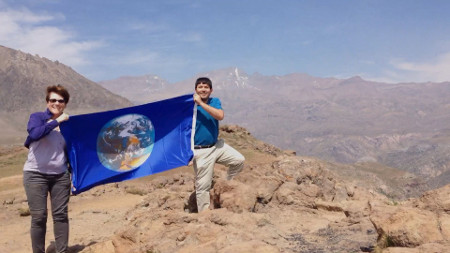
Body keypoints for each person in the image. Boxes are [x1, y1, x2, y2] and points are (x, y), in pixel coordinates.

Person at [23, 84, 71, 253]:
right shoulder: (37, 118)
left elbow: (72, 151)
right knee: (39, 217)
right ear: (47, 101)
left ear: (65, 103)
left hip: (60, 176)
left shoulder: (69, 125)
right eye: (53, 100)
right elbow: (35, 134)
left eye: (60, 100)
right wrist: (56, 121)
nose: (56, 103)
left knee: (60, 216)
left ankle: (62, 251)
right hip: (35, 175)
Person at [192, 77, 245, 212]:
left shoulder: (214, 101)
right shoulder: (189, 105)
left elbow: (220, 115)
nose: (203, 89)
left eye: (206, 87)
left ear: (211, 90)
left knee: (238, 160)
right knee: (203, 187)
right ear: (196, 90)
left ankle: (223, 186)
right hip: (201, 151)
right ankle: (204, 216)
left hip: (216, 146)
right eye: (200, 87)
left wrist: (201, 104)